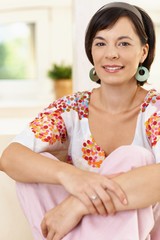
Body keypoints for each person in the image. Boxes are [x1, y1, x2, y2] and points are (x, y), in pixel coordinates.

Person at [0, 1, 160, 240]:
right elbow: (10, 157)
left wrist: (78, 204)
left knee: (133, 158)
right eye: (100, 43)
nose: (111, 53)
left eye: (124, 43)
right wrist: (72, 176)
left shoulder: (155, 110)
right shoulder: (72, 108)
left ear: (144, 52)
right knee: (36, 166)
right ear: (91, 51)